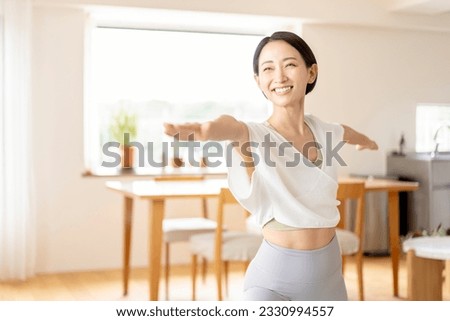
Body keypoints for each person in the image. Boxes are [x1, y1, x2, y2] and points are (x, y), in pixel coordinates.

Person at [164, 31, 378, 301]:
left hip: (330, 280)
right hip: (273, 286)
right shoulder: (255, 135)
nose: (279, 76)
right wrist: (207, 130)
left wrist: (366, 141)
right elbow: (233, 127)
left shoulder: (324, 131)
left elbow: (345, 132)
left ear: (311, 72)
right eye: (268, 68)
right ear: (258, 81)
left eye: (289, 64)